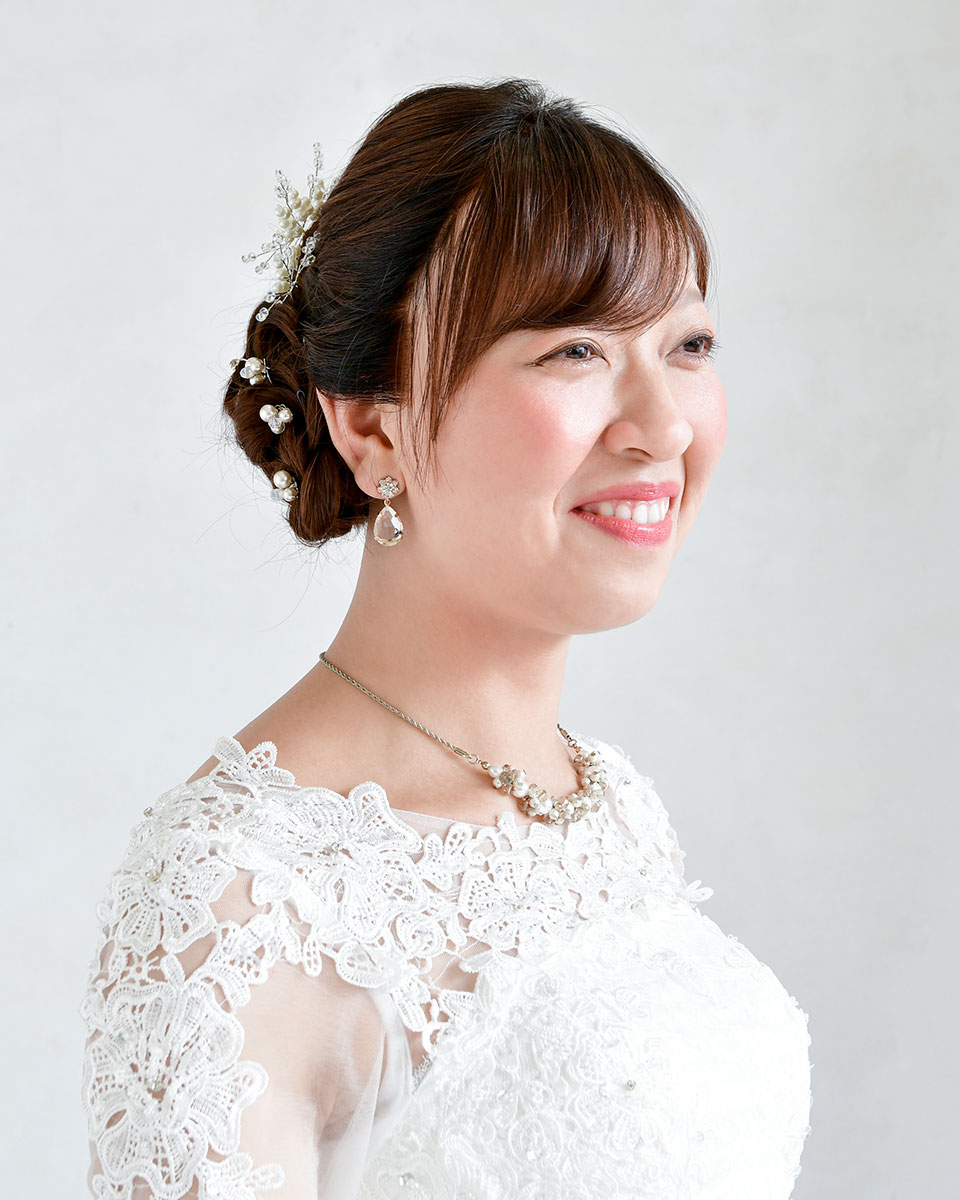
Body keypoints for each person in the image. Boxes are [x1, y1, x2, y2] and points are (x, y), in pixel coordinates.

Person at [78, 77, 812, 1199]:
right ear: (370, 424)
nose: (664, 425)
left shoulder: (602, 801)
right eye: (575, 351)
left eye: (690, 343)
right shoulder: (240, 901)